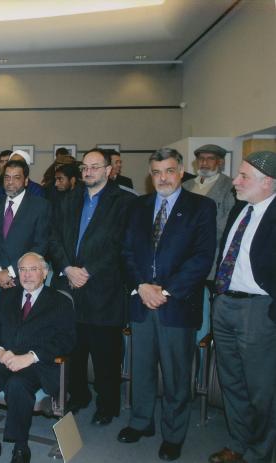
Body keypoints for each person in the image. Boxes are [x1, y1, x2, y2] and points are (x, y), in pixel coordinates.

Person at [118, 148, 216, 461]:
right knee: (141, 368)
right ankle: (141, 422)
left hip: (177, 304)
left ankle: (173, 434)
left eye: (170, 170)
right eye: (157, 172)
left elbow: (202, 258)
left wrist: (167, 291)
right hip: (142, 301)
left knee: (175, 375)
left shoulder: (201, 206)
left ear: (181, 171)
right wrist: (141, 286)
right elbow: (126, 252)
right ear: (150, 173)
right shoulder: (138, 206)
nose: (163, 178)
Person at [49, 149, 134, 425]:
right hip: (69, 287)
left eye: (95, 167)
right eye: (85, 167)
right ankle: (79, 395)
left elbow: (121, 244)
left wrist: (88, 270)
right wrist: (67, 268)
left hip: (103, 290)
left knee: (105, 355)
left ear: (109, 170)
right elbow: (54, 239)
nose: (88, 172)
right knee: (73, 349)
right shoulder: (68, 199)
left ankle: (107, 404)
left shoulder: (124, 202)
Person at [0, 252, 76, 463]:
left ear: (44, 273)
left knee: (17, 384)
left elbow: (67, 340)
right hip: (7, 357)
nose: (27, 275)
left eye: (33, 269)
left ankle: (20, 447)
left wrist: (30, 357)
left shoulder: (59, 301)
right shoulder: (7, 295)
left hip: (39, 364)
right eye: (23, 270)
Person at [209, 151, 276, 463]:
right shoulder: (240, 208)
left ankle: (260, 453)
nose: (235, 181)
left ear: (268, 183)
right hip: (224, 304)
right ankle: (237, 444)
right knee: (231, 382)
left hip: (258, 312)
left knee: (261, 390)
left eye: (244, 176)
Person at [0, 159, 50, 289]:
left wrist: (10, 272)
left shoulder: (40, 206)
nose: (10, 182)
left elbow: (40, 244)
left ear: (25, 181)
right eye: (7, 177)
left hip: (24, 278)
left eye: (16, 177)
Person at [183, 144, 236, 281]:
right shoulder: (186, 186)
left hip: (212, 252)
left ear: (220, 162)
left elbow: (228, 220)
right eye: (201, 159)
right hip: (183, 253)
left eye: (210, 159)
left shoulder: (230, 186)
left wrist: (199, 238)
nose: (204, 163)